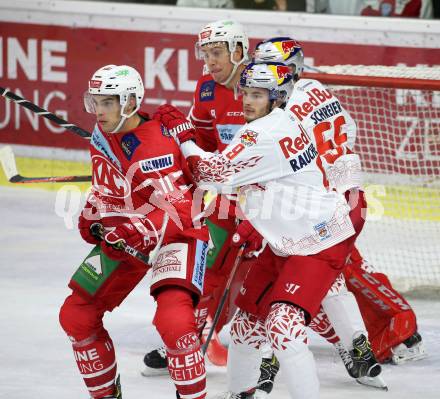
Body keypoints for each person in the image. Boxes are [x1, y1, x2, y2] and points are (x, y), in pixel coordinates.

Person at [154, 61, 381, 398]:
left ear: (277, 98)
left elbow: (211, 173)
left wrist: (184, 134)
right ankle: (240, 393)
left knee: (283, 327)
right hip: (287, 239)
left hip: (319, 240)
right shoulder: (276, 122)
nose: (246, 100)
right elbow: (255, 183)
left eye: (257, 95)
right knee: (246, 327)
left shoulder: (264, 132)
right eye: (245, 92)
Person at [253, 36, 427, 365]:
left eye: (268, 69)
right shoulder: (317, 88)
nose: (261, 76)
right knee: (342, 266)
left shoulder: (283, 108)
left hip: (319, 198)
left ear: (287, 70)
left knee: (343, 267)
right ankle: (387, 328)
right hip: (343, 190)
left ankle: (399, 325)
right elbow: (351, 128)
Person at [59, 64, 209, 399]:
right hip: (128, 236)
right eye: (96, 101)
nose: (99, 110)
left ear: (129, 102)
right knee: (76, 315)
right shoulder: (103, 135)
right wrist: (94, 215)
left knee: (175, 322)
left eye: (108, 102)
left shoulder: (155, 144)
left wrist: (135, 227)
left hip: (178, 236)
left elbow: (183, 210)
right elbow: (108, 188)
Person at [143, 18, 252, 375]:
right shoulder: (207, 88)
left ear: (239, 50)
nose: (210, 62)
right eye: (205, 54)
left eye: (217, 52)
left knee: (315, 275)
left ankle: (367, 341)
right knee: (207, 262)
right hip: (226, 198)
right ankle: (186, 339)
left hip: (273, 201)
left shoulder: (266, 85)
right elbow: (201, 143)